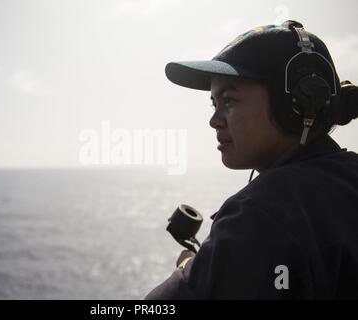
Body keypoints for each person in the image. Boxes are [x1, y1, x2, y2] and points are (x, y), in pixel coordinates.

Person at [145, 20, 358, 299]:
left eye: (229, 100)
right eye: (214, 103)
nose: (214, 120)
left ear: (296, 104)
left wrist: (190, 268)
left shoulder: (260, 213)